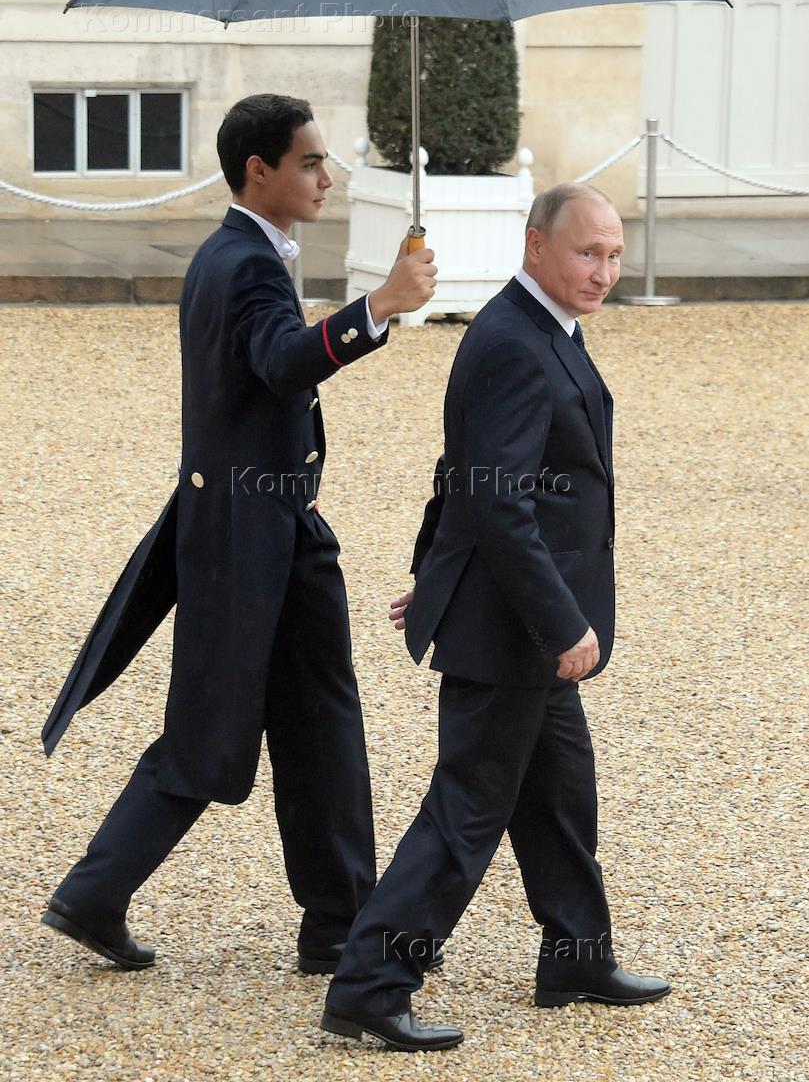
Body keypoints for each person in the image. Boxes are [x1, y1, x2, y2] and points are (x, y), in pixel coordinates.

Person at [40, 93, 438, 975]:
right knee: (212, 728)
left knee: (319, 720)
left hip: (275, 528)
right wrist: (379, 304)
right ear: (258, 171)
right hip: (245, 537)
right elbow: (280, 361)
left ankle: (339, 921)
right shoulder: (246, 263)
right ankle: (96, 893)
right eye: (308, 162)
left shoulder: (242, 253)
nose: (326, 177)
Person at [321, 183, 670, 1052]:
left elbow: (461, 471)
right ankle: (369, 986)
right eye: (586, 253)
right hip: (516, 627)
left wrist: (435, 573)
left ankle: (576, 958)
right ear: (535, 246)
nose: (603, 271)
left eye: (613, 254)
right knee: (466, 812)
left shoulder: (544, 328)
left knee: (558, 798)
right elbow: (497, 500)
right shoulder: (513, 340)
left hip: (515, 615)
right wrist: (560, 624)